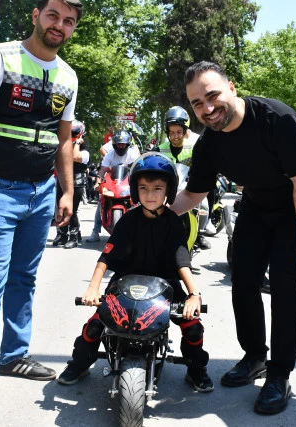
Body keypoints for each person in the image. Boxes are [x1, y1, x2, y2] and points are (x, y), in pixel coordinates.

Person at [170, 61, 296, 415]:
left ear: (232, 88)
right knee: (242, 278)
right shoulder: (210, 144)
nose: (207, 108)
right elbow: (194, 193)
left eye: (212, 95)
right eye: (197, 103)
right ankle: (255, 356)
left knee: (285, 282)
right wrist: (154, 214)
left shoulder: (276, 118)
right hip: (258, 203)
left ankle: (279, 374)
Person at [0, 0, 83, 417]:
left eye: (68, 21)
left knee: (24, 279)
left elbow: (63, 139)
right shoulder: (0, 58)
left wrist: (67, 191)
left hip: (40, 192)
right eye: (53, 15)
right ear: (36, 15)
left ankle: (13, 355)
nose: (59, 25)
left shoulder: (68, 76)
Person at [57, 152, 213, 392]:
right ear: (135, 190)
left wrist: (194, 294)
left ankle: (196, 369)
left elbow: (181, 259)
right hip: (124, 282)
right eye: (144, 188)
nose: (150, 194)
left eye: (157, 188)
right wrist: (93, 288)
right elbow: (107, 255)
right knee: (95, 325)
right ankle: (79, 363)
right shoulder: (128, 220)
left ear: (169, 191)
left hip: (167, 283)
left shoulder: (173, 221)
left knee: (192, 327)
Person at [155, 106, 212, 249]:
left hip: (188, 188)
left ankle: (199, 234)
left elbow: (202, 168)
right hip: (166, 190)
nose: (175, 136)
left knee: (204, 205)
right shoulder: (160, 149)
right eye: (172, 132)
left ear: (185, 131)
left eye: (179, 132)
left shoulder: (194, 148)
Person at [86, 129, 141, 242]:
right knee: (101, 201)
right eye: (118, 144)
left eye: (123, 144)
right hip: (112, 181)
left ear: (127, 144)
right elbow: (102, 171)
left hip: (128, 181)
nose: (121, 147)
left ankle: (141, 231)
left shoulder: (133, 154)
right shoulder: (109, 155)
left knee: (139, 202)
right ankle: (95, 232)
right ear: (114, 145)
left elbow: (139, 169)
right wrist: (97, 183)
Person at [52, 120, 89, 248]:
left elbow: (74, 156)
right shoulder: (63, 146)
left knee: (71, 210)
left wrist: (77, 143)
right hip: (61, 181)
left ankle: (74, 237)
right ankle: (62, 235)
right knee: (60, 209)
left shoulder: (85, 150)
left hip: (76, 183)